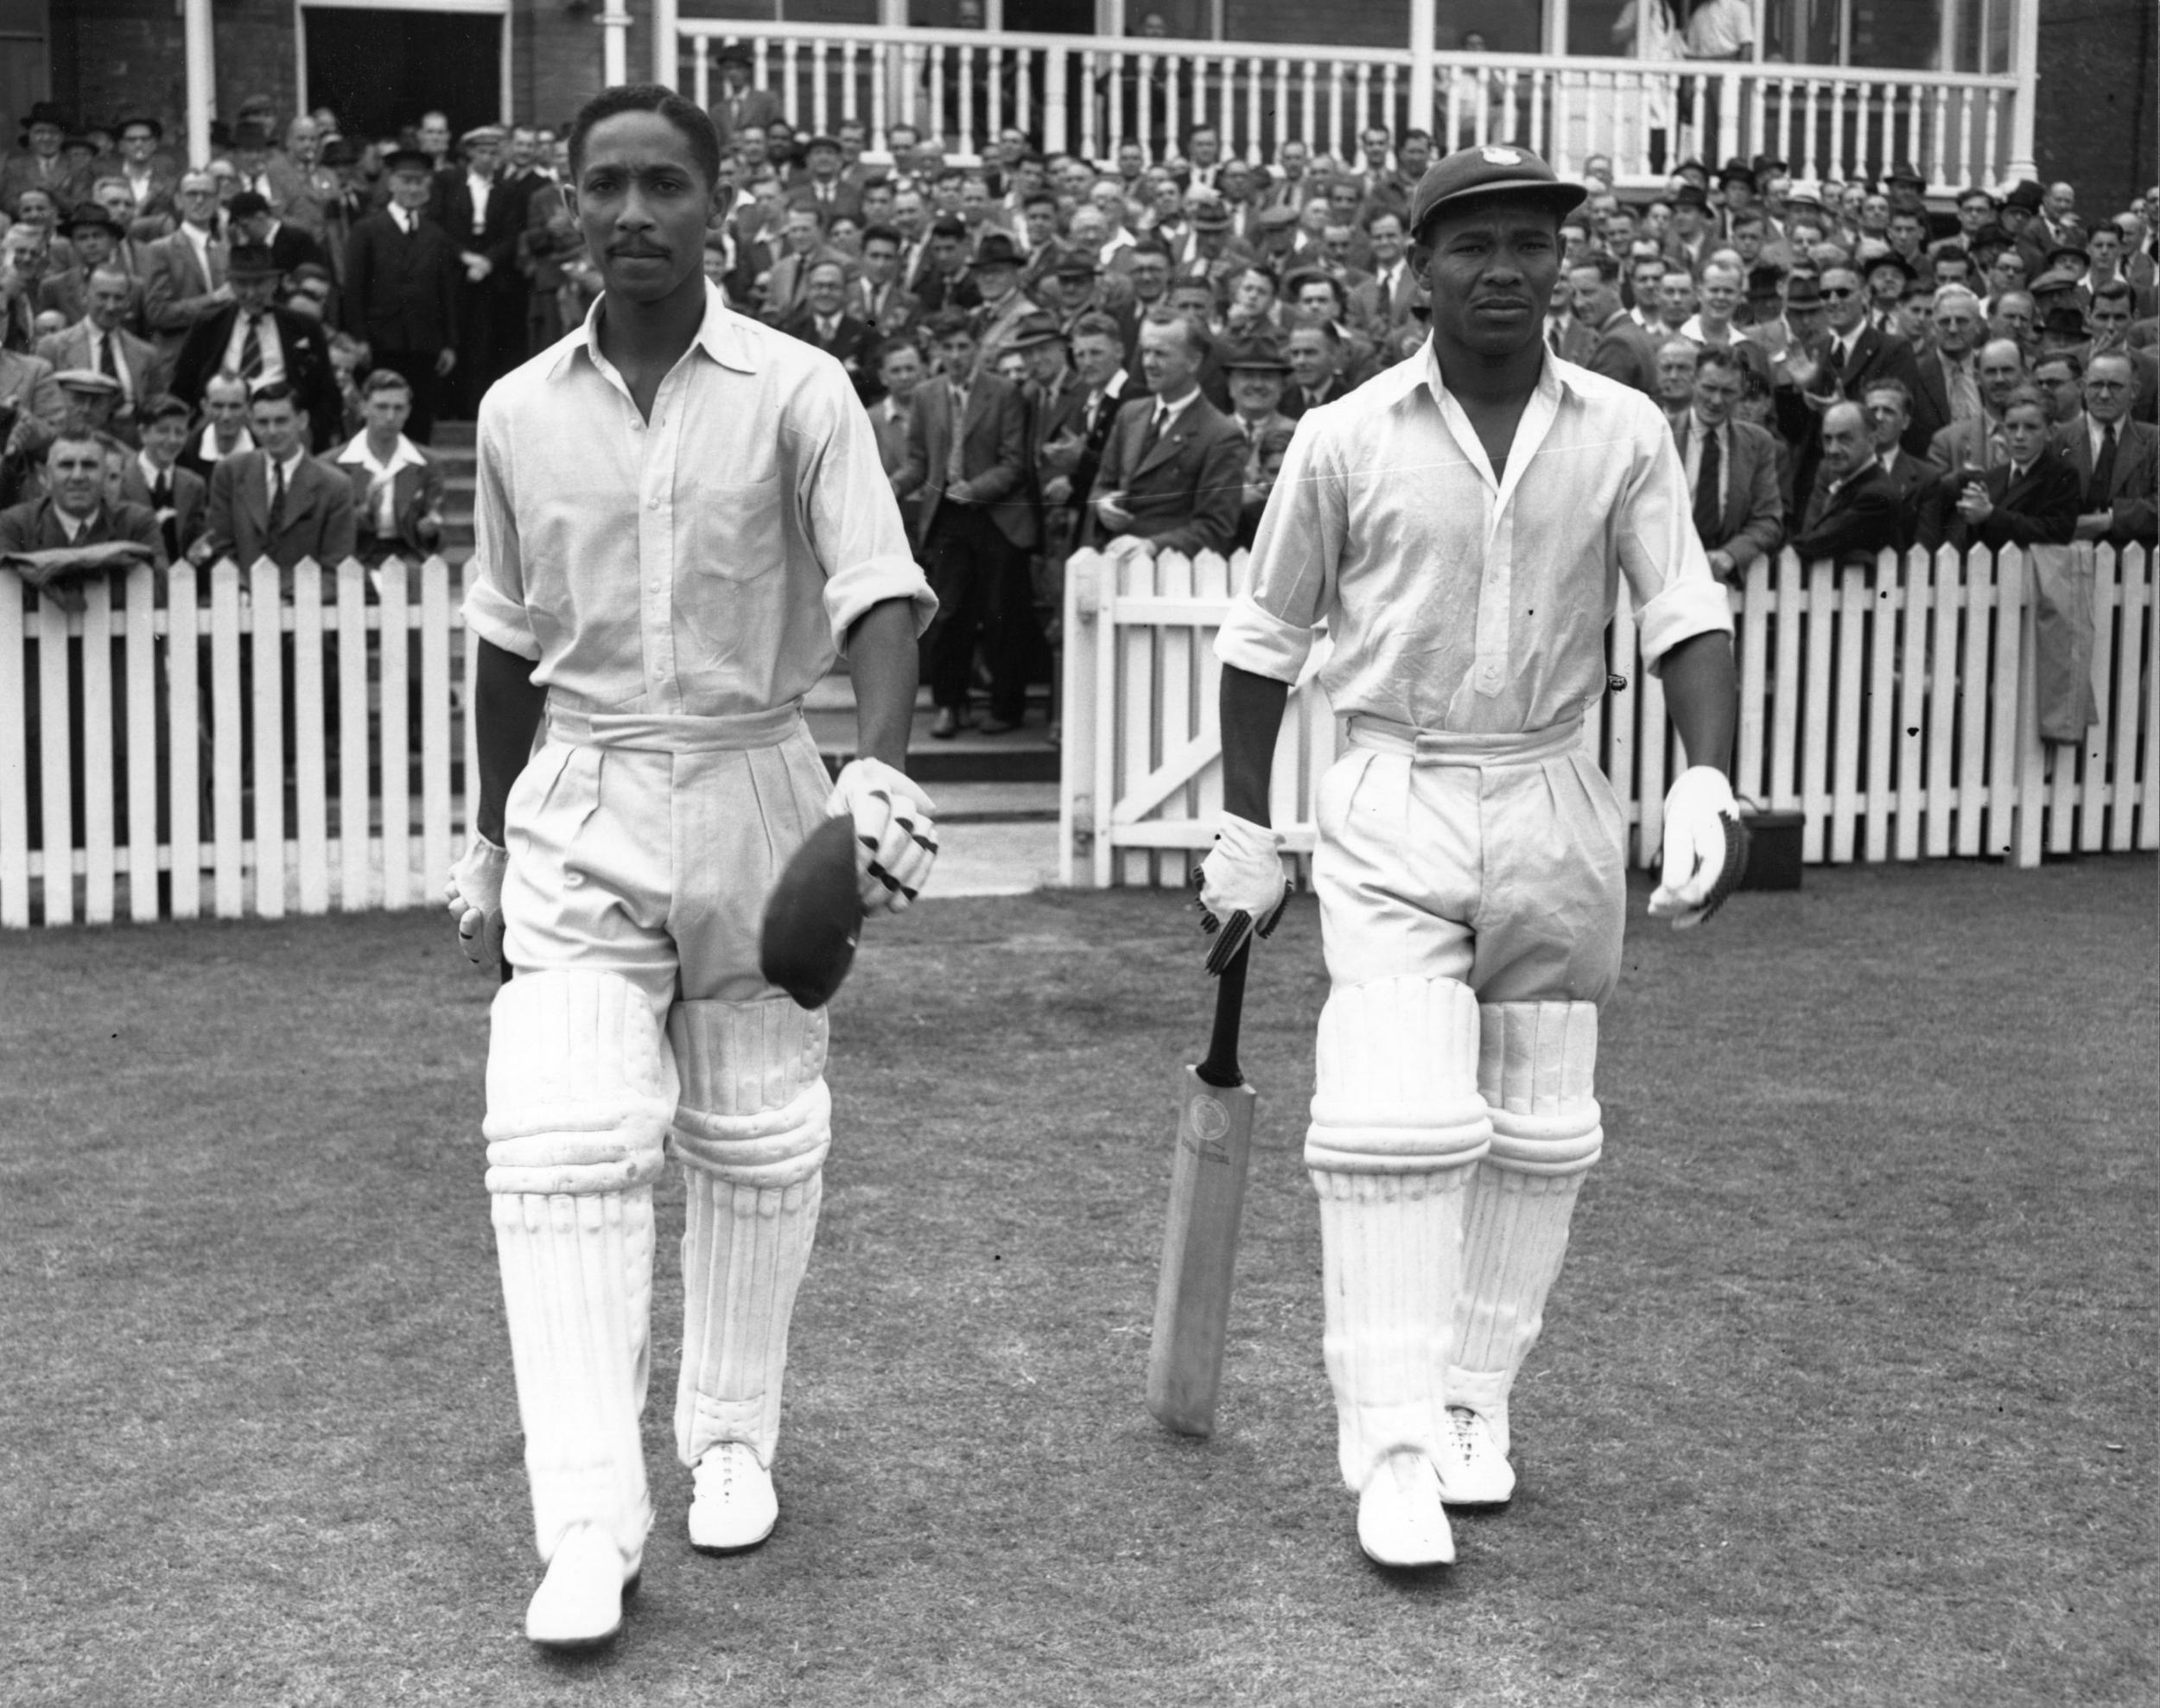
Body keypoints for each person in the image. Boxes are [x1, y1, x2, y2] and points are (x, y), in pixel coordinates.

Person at [442, 84, 937, 1651]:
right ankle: (585, 1522)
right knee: (562, 1148)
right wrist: (481, 837)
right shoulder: (523, 408)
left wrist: (875, 771)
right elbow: (510, 649)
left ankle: (731, 1434)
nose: (635, 211)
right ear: (568, 206)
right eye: (607, 185)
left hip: (755, 780)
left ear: (717, 203)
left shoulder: (801, 390)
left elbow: (878, 593)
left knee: (757, 1136)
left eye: (666, 183)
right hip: (581, 795)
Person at [1200, 143, 1739, 1571]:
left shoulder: (1622, 428)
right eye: (1474, 246)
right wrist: (1248, 827)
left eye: (1531, 245)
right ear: (1420, 267)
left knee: (1542, 1125)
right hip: (1395, 788)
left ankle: (1471, 1403)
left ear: (1562, 265)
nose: (1505, 269)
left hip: (1557, 791)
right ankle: (1386, 1448)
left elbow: (1682, 606)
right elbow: (1263, 645)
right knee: (1390, 1119)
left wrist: (1703, 774)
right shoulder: (1345, 433)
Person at [895, 310, 1035, 738]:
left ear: (977, 350)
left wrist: (977, 488)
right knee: (948, 612)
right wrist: (892, 485)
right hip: (948, 518)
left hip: (994, 516)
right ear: (936, 352)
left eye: (963, 347)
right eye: (947, 348)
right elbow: (919, 460)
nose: (955, 356)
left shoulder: (1004, 392)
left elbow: (1015, 462)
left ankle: (1005, 707)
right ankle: (950, 705)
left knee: (999, 612)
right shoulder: (926, 394)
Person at [1084, 309, 1244, 561]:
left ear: (1193, 361)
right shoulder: (1130, 414)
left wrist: (1152, 546)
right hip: (1116, 559)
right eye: (1145, 352)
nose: (1148, 363)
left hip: (1171, 573)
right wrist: (1103, 506)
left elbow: (1216, 528)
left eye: (1160, 353)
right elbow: (1103, 486)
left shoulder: (1221, 434)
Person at [170, 243, 341, 453]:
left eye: (259, 283)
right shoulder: (209, 324)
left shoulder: (303, 327)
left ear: (274, 283)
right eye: (242, 284)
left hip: (282, 422)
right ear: (230, 285)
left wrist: (312, 432)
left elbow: (327, 392)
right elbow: (182, 386)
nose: (251, 293)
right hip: (222, 422)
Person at [340, 149, 461, 443]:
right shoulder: (367, 230)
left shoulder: (436, 235)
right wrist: (358, 338)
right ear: (391, 183)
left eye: (420, 182)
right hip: (381, 343)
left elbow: (448, 293)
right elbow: (353, 289)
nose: (413, 188)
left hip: (424, 344)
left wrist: (449, 344)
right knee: (380, 420)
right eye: (406, 181)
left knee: (418, 423)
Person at [192, 379, 355, 581]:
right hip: (243, 601)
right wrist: (242, 591)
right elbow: (220, 547)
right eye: (263, 422)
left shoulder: (335, 485)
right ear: (251, 422)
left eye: (281, 421)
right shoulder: (229, 472)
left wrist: (291, 599)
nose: (272, 431)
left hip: (307, 602)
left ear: (302, 420)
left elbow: (336, 562)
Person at [1678, 346, 1782, 584]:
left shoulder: (1758, 443)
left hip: (1725, 580)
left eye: (1728, 391)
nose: (1716, 400)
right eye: (1709, 388)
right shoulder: (1660, 433)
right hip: (1664, 576)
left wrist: (1731, 554)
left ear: (1742, 392)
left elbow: (1768, 519)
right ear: (1693, 382)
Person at [1942, 384, 2081, 552]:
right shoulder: (1992, 477)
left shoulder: (2062, 475)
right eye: (2012, 427)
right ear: (2002, 430)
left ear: (2050, 432)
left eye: (2031, 427)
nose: (2020, 436)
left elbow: (2057, 532)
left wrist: (1991, 514)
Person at [334, 368, 446, 563]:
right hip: (352, 560)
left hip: (407, 559)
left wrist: (430, 530)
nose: (390, 416)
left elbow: (439, 541)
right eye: (381, 407)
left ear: (408, 411)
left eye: (398, 408)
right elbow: (328, 531)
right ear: (363, 408)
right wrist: (366, 512)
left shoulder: (428, 463)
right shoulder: (334, 463)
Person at [1788, 400, 1903, 564]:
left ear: (1871, 442)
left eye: (1844, 439)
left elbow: (1816, 543)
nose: (1833, 449)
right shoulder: (1850, 483)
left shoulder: (1877, 496)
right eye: (1827, 439)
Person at [2063, 351, 2158, 548]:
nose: (2104, 395)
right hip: (2065, 561)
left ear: (2134, 391)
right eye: (2097, 385)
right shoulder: (2059, 439)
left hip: (2136, 566)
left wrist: (2109, 520)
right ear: (2083, 387)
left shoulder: (2154, 441)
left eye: (2115, 386)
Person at [117, 392, 208, 562]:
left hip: (180, 581)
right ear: (143, 433)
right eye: (163, 431)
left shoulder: (194, 484)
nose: (172, 440)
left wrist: (199, 550)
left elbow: (197, 536)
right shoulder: (119, 479)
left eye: (179, 432)